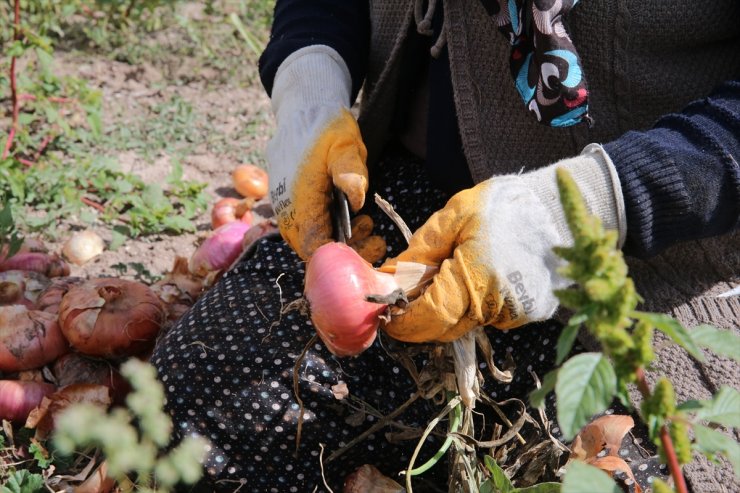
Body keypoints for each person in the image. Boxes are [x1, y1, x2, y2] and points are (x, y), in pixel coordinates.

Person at [153, 1, 740, 492]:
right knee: (195, 423)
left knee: (626, 472)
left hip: (662, 264)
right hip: (409, 218)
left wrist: (593, 204)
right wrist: (308, 75)